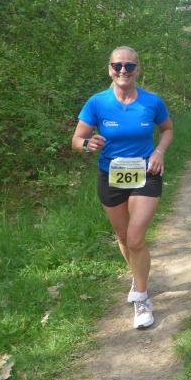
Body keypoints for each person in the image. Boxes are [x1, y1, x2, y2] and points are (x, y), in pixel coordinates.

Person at [71, 46, 173, 329]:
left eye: (129, 66)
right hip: (110, 175)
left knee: (135, 237)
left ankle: (142, 297)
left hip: (146, 173)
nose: (123, 71)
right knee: (123, 236)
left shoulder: (152, 102)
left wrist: (159, 152)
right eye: (117, 66)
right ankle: (137, 274)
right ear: (110, 69)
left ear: (137, 69)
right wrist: (87, 144)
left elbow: (167, 129)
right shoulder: (97, 103)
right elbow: (76, 140)